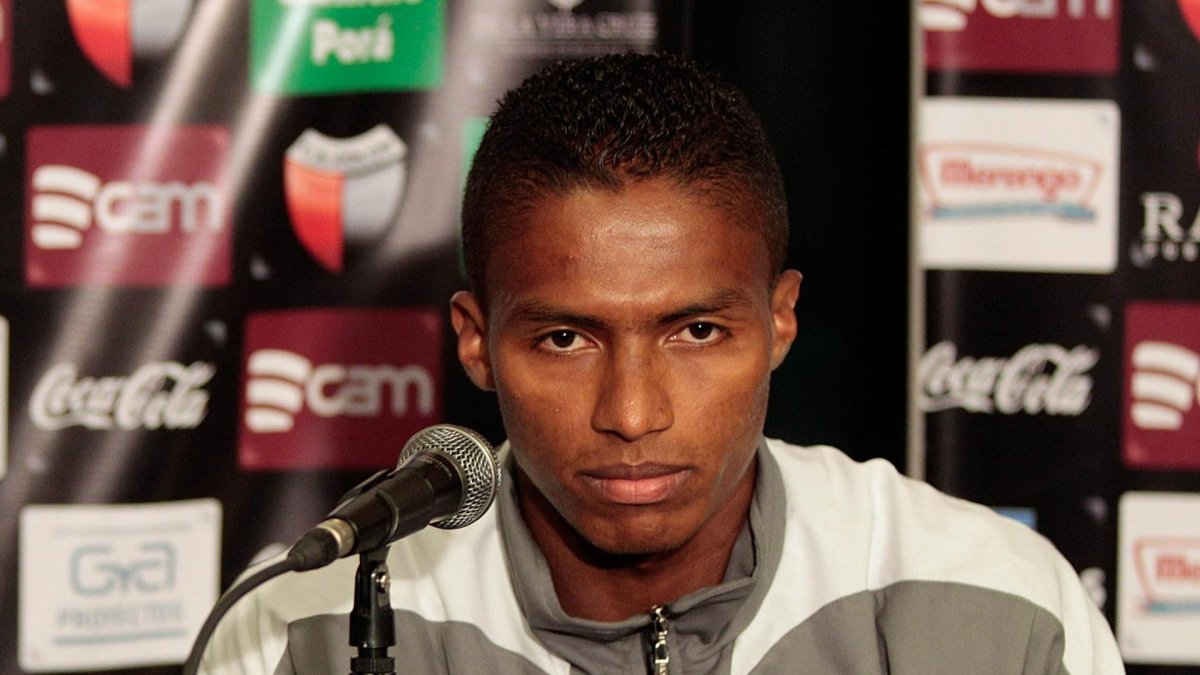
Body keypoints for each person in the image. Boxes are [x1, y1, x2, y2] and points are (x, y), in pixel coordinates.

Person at [200, 52, 1124, 674]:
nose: (634, 414)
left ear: (781, 321)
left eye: (697, 332)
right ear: (477, 341)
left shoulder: (996, 607)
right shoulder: (301, 628)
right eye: (566, 339)